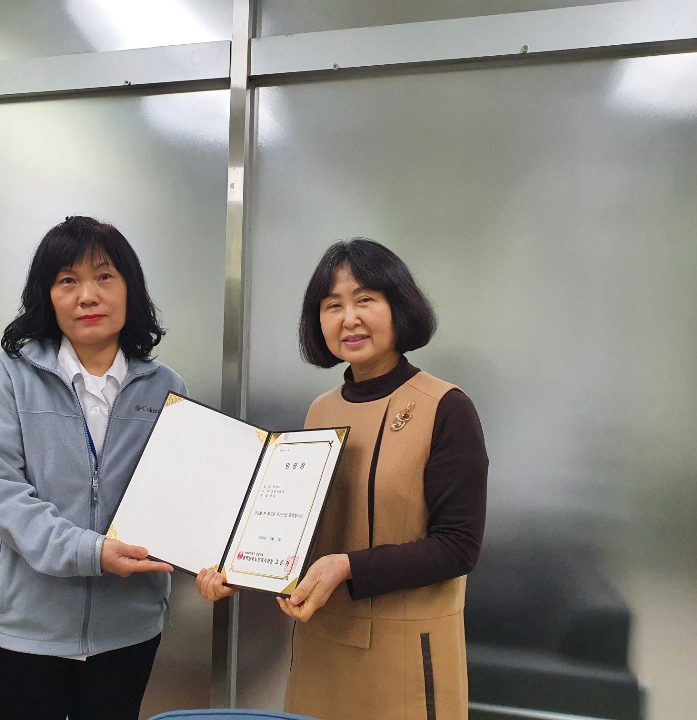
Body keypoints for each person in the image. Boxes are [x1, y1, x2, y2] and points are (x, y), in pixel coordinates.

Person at [197, 238, 488, 720]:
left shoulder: (445, 407)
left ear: (399, 307)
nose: (348, 318)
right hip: (320, 638)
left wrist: (346, 567)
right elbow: (297, 527)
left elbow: (459, 547)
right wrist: (235, 568)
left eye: (365, 299)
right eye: (332, 305)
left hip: (406, 651)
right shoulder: (320, 411)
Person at [0, 216, 186, 720]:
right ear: (48, 295)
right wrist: (92, 552)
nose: (88, 296)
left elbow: (180, 495)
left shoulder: (166, 387)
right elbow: (0, 492)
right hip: (25, 629)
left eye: (104, 276)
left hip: (127, 631)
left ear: (130, 288)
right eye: (68, 280)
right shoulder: (9, 377)